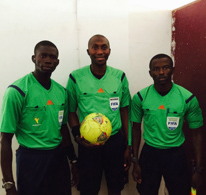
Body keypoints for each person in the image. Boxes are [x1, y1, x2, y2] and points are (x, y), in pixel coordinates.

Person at [0, 40, 78, 195]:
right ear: (34, 58)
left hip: (58, 158)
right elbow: (5, 139)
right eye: (43, 56)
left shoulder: (62, 92)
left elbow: (62, 128)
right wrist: (8, 184)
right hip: (31, 160)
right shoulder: (17, 91)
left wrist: (73, 161)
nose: (48, 60)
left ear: (57, 62)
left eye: (52, 57)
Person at [66, 34, 131, 195]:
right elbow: (71, 111)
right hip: (87, 144)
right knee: (88, 189)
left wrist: (128, 145)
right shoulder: (75, 78)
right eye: (95, 47)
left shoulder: (119, 76)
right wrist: (76, 136)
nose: (100, 51)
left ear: (110, 51)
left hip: (115, 141)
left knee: (115, 187)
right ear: (88, 51)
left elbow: (124, 110)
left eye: (104, 47)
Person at [131, 53, 203, 195]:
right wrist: (135, 161)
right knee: (146, 191)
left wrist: (199, 169)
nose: (161, 72)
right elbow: (135, 130)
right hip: (150, 153)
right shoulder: (140, 97)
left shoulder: (187, 98)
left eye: (165, 68)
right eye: (156, 69)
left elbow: (197, 135)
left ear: (173, 70)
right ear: (150, 73)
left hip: (176, 155)